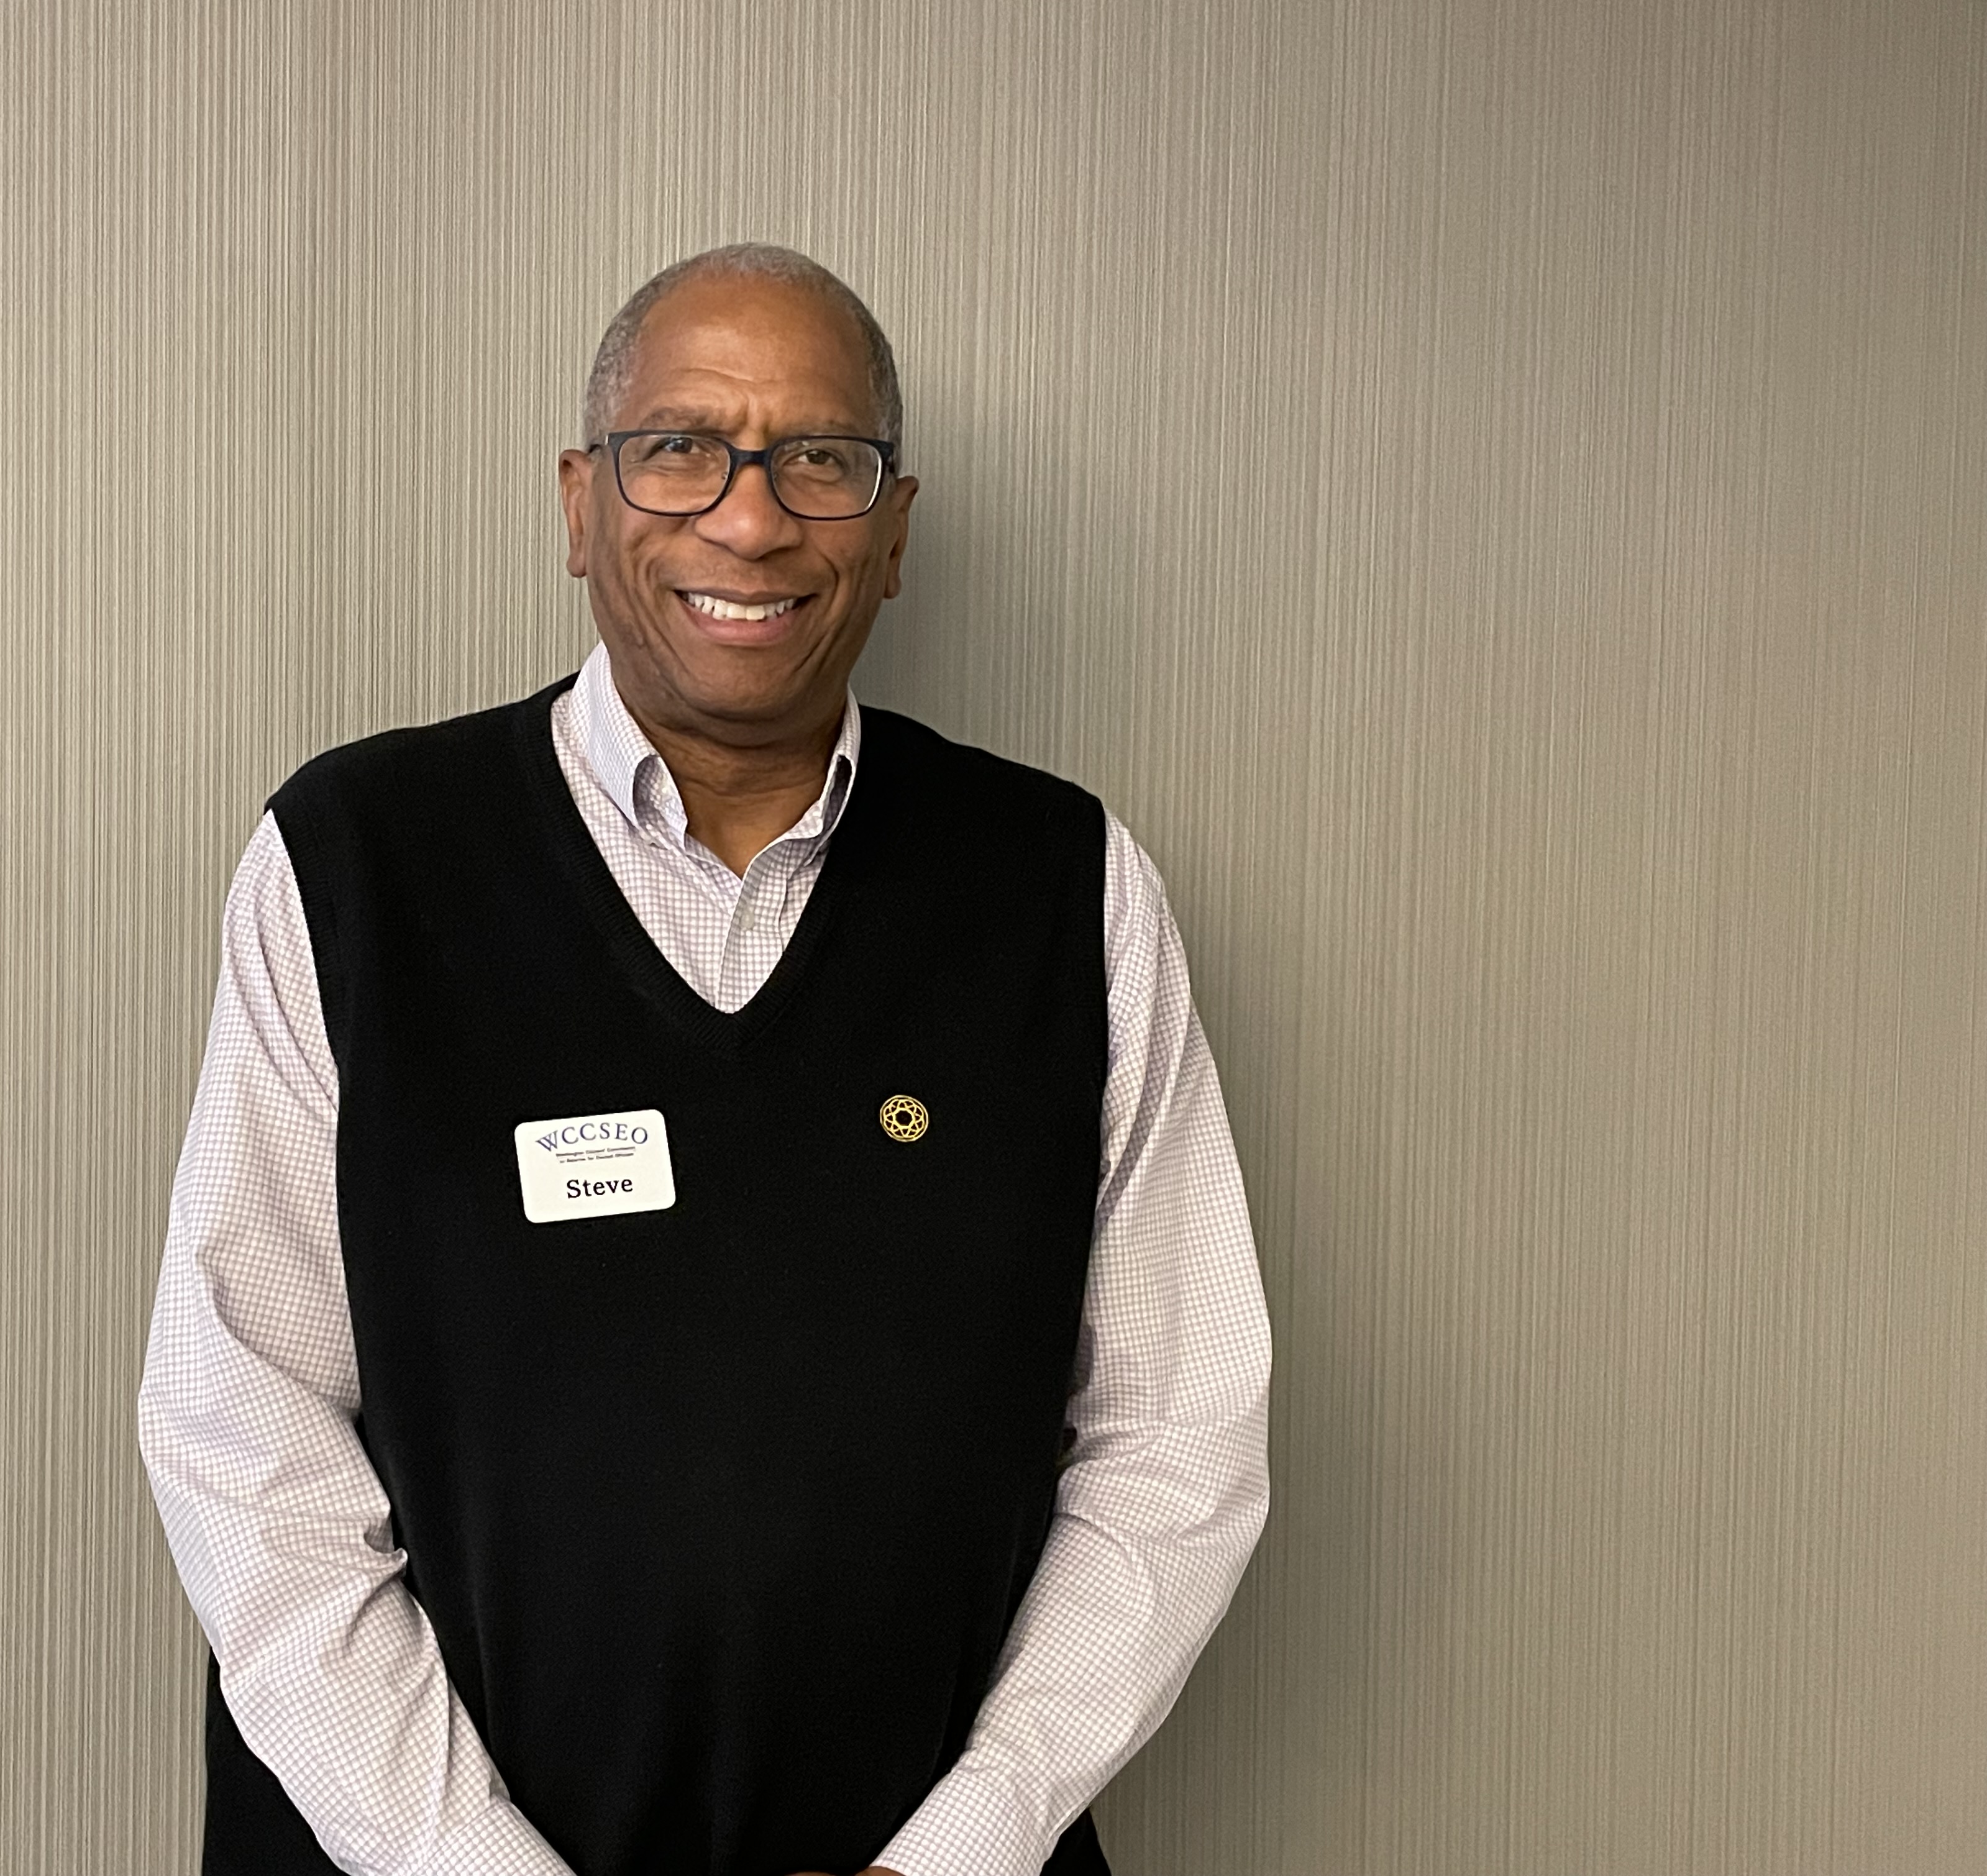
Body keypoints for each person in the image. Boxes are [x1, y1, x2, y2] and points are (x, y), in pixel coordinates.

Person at [137, 242, 1271, 1876]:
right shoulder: (360, 861)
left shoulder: (1060, 887)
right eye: (682, 449)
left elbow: (1183, 1427)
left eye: (824, 460)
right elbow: (237, 1428)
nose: (752, 519)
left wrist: (959, 1849)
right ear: (582, 504)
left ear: (892, 536)